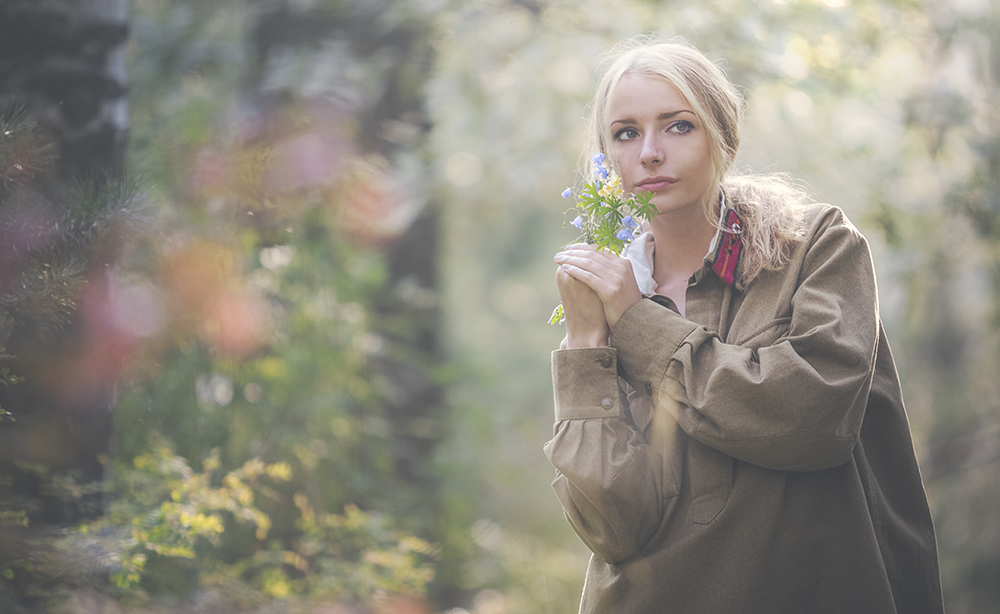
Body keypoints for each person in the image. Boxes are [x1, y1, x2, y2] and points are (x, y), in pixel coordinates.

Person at [545, 36, 944, 613]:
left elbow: (813, 418)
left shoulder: (815, 248)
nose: (650, 152)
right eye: (626, 133)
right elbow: (613, 528)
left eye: (677, 125)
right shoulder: (608, 289)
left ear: (722, 135)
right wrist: (585, 344)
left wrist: (636, 325)